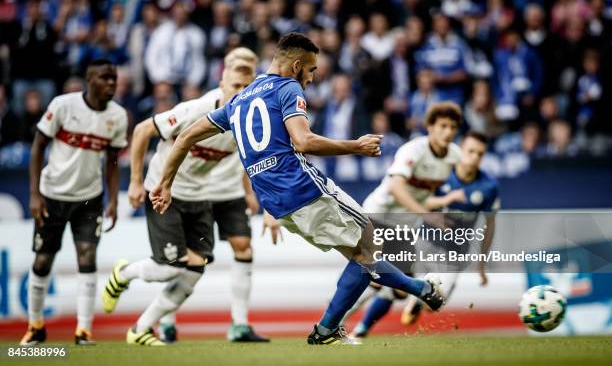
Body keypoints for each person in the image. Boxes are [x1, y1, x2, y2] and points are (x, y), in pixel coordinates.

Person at [149, 33, 445, 345]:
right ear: (296, 65)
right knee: (369, 243)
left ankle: (419, 291)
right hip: (303, 187)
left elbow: (183, 137)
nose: (312, 77)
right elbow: (304, 141)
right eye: (312, 69)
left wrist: (164, 184)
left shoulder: (239, 99)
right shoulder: (288, 87)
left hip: (276, 202)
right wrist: (355, 146)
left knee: (361, 253)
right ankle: (332, 327)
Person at [101, 49, 262, 346]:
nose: (240, 93)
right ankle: (124, 273)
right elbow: (141, 131)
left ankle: (140, 329)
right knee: (169, 267)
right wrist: (136, 182)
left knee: (195, 268)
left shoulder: (248, 121)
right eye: (235, 87)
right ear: (221, 85)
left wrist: (250, 192)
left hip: (200, 195)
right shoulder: (198, 109)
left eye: (245, 87)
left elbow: (249, 159)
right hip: (165, 191)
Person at [20, 59, 128, 346]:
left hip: (88, 200)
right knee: (43, 260)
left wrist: (113, 199)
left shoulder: (118, 116)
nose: (111, 84)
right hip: (52, 195)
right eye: (105, 78)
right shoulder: (63, 105)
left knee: (87, 258)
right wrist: (34, 194)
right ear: (89, 80)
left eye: (114, 79)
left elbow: (114, 161)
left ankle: (83, 331)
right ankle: (35, 326)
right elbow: (38, 146)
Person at [352, 132, 499, 337]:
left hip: (453, 255)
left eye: (480, 154)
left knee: (434, 303)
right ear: (460, 150)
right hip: (422, 243)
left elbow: (489, 225)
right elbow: (419, 200)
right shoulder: (442, 174)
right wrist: (444, 200)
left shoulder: (489, 186)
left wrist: (481, 262)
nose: (474, 157)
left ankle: (417, 302)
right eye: (470, 151)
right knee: (393, 288)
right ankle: (362, 328)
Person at [345, 102, 464, 336]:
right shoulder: (413, 150)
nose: (447, 132)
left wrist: (443, 205)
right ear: (430, 127)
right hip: (378, 215)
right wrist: (427, 216)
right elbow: (396, 187)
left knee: (396, 288)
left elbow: (425, 195)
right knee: (375, 277)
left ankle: (349, 324)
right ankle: (335, 321)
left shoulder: (454, 157)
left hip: (405, 225)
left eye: (452, 127)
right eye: (442, 126)